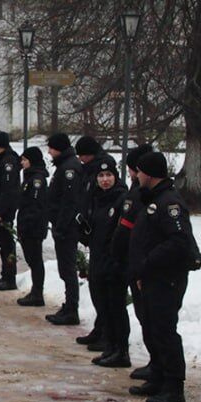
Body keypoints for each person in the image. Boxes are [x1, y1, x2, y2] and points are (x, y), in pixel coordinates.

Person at [126, 151, 196, 402]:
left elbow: (178, 242)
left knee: (165, 331)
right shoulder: (153, 199)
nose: (136, 175)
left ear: (150, 174)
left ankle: (173, 386)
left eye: (140, 171)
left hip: (166, 279)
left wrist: (149, 262)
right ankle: (158, 377)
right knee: (153, 329)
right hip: (151, 277)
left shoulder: (169, 203)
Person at [111, 144, 156, 381]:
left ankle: (159, 367)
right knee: (143, 314)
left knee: (151, 318)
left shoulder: (142, 196)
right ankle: (154, 363)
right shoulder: (137, 192)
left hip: (139, 264)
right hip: (132, 261)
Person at [87, 155, 131, 368]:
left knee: (116, 307)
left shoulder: (121, 199)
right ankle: (110, 346)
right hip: (98, 260)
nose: (105, 180)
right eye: (101, 176)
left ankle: (121, 349)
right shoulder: (97, 198)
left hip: (113, 263)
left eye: (109, 175)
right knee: (103, 306)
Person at [45, 133, 83, 325]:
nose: (49, 152)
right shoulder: (64, 165)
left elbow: (69, 202)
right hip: (62, 226)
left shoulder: (69, 168)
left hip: (66, 228)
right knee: (65, 269)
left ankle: (72, 309)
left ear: (58, 148)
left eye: (51, 148)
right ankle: (68, 306)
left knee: (68, 269)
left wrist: (60, 226)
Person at [72, 136, 106, 349]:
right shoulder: (87, 170)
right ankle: (99, 328)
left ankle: (105, 333)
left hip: (100, 236)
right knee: (96, 288)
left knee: (104, 292)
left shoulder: (99, 170)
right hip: (92, 233)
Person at [0, 131, 21, 291]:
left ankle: (10, 278)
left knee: (7, 245)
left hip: (4, 211)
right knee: (3, 244)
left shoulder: (8, 162)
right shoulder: (0, 160)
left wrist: (0, 211)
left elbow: (8, 190)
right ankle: (5, 275)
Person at [15, 146, 48, 307]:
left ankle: (37, 293)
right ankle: (35, 291)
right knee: (32, 259)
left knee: (35, 260)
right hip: (27, 225)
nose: (22, 163)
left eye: (24, 160)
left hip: (33, 227)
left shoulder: (37, 179)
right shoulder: (29, 176)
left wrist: (27, 225)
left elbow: (35, 205)